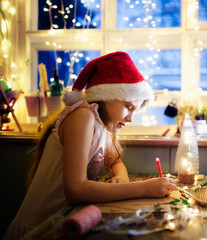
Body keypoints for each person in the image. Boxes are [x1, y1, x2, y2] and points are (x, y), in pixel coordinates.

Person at [4, 52, 177, 239]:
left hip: (65, 224)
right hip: (39, 230)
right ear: (107, 96)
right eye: (128, 106)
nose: (130, 118)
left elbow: (115, 161)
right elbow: (76, 191)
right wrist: (144, 188)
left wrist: (121, 176)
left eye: (135, 110)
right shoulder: (83, 116)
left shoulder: (103, 126)